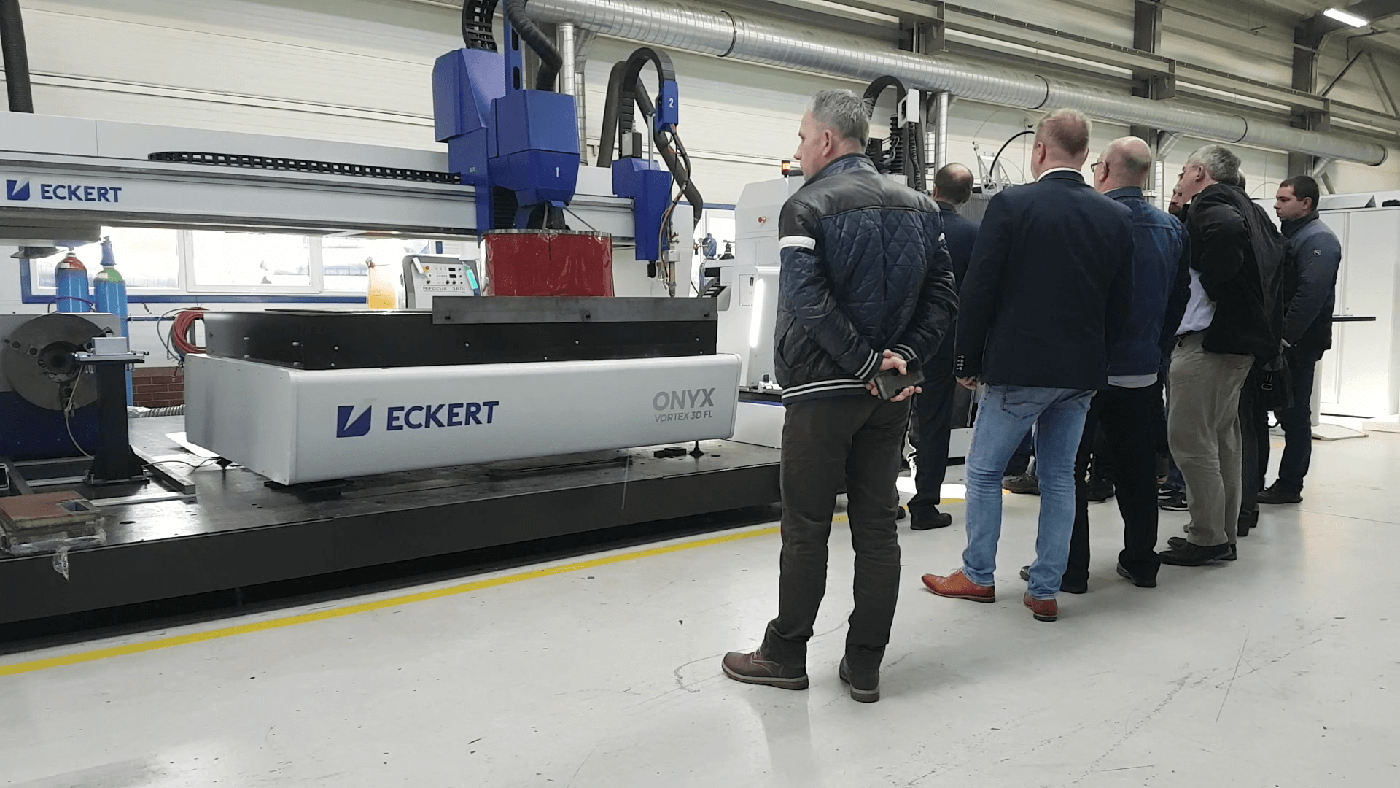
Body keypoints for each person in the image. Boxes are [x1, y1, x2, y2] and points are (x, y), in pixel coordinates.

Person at [722, 90, 957, 703]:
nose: (799, 149)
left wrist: (861, 362)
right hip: (887, 396)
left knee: (806, 526)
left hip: (822, 392)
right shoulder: (921, 206)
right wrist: (899, 360)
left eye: (803, 137)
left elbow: (805, 298)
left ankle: (785, 654)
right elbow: (943, 297)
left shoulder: (805, 206)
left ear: (826, 140)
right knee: (877, 527)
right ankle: (865, 663)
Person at [921, 108, 1133, 623]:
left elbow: (980, 288)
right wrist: (1098, 361)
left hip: (1019, 368)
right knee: (1060, 478)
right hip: (1080, 373)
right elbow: (1121, 302)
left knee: (983, 471)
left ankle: (977, 575)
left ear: (1039, 149)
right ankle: (1044, 588)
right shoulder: (1113, 216)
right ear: (1086, 154)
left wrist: (966, 358)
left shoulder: (1012, 204)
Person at [1058, 137, 1190, 591]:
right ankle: (1141, 561)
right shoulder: (1172, 228)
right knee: (1137, 470)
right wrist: (1156, 348)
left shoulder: (1087, 220)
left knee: (1069, 470)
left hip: (1086, 370)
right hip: (1142, 371)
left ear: (1103, 170)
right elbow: (1178, 299)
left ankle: (1071, 569)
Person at [1158, 145, 1284, 566]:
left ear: (1199, 172)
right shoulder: (1253, 210)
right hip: (1237, 345)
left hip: (1207, 345)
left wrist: (1217, 285)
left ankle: (1207, 535)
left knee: (1190, 440)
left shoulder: (1211, 204)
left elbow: (1225, 238)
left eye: (1183, 171)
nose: (1179, 179)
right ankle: (1222, 532)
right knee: (1223, 440)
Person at [1257, 175, 1341, 504]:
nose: (1276, 205)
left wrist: (1286, 337)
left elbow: (1310, 295)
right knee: (1282, 410)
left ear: (1305, 203)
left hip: (1298, 344)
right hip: (1284, 341)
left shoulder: (1319, 240)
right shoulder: (1291, 236)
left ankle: (1290, 484)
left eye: (1284, 200)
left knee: (1294, 415)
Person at [908, 163, 980, 531]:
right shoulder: (974, 235)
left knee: (887, 423)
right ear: (966, 196)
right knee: (934, 425)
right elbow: (977, 295)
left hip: (900, 342)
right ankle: (924, 506)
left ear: (933, 188)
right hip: (943, 344)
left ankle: (882, 502)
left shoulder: (909, 226)